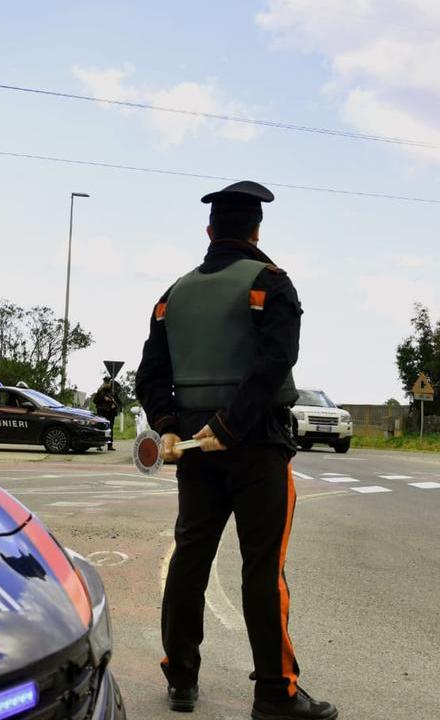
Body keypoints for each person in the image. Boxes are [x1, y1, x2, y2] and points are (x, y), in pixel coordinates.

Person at [134, 181, 336, 719]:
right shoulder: (270, 283)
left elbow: (150, 375)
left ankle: (181, 679)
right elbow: (273, 364)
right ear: (256, 230)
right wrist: (232, 425)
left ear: (209, 232)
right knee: (262, 568)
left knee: (190, 560)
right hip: (258, 446)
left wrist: (170, 427)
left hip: (194, 453)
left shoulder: (171, 295)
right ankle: (275, 693)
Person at [92, 375, 124, 450]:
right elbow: (95, 401)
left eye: (108, 382)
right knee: (100, 428)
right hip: (102, 413)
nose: (107, 384)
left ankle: (110, 445)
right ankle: (98, 445)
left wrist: (114, 405)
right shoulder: (100, 391)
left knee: (110, 429)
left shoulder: (113, 392)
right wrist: (103, 398)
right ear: (104, 383)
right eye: (105, 382)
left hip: (110, 413)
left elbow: (119, 402)